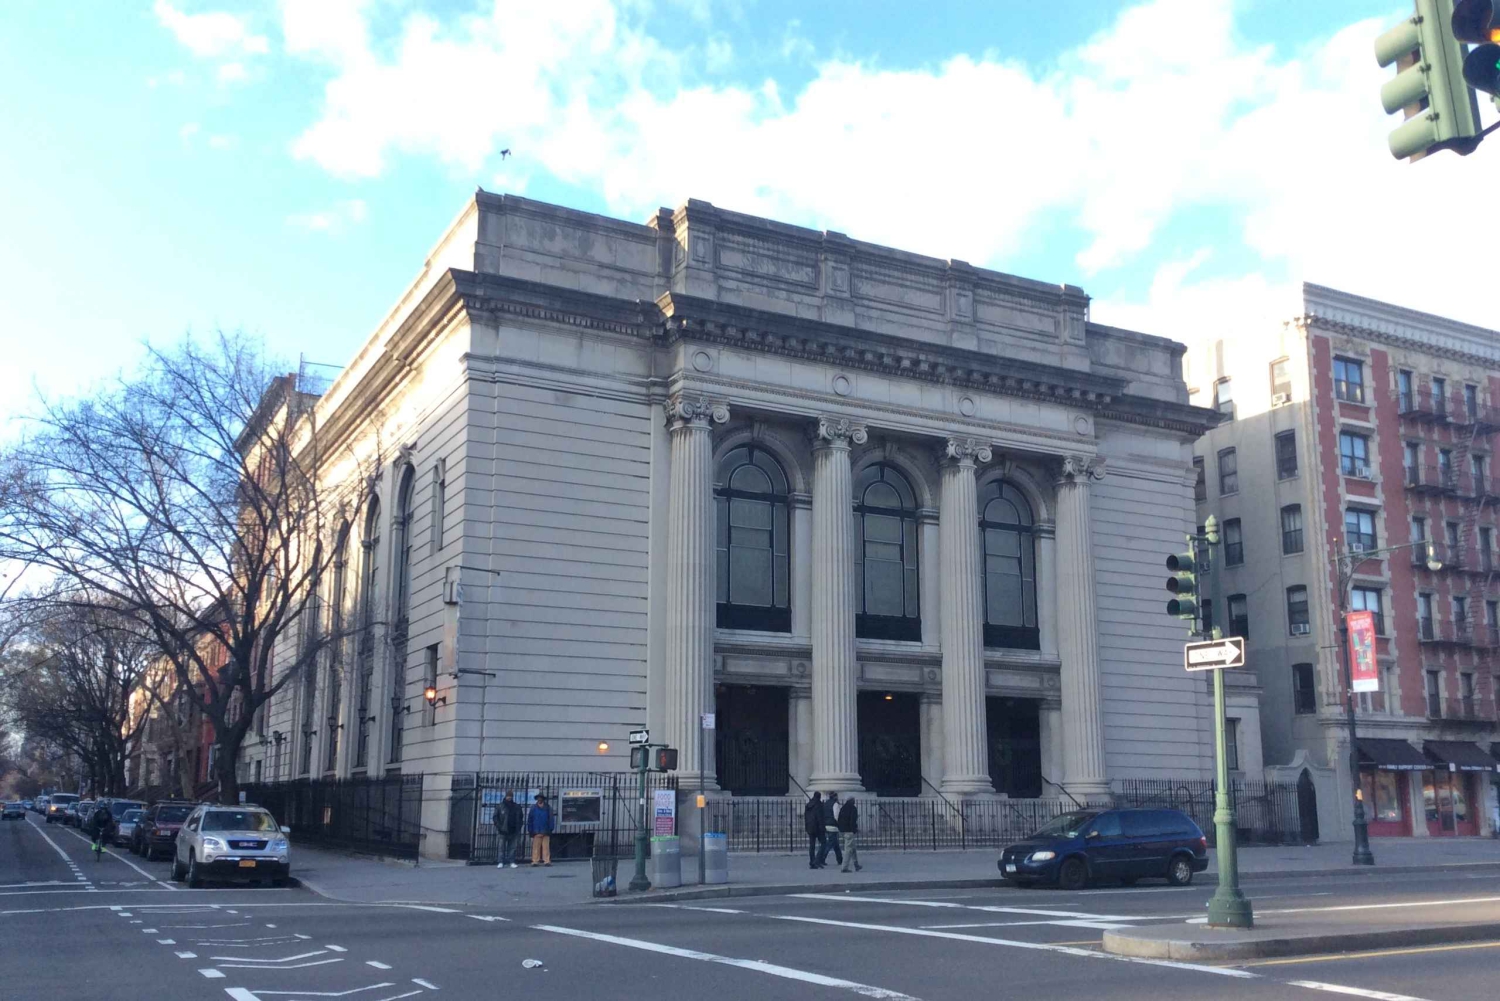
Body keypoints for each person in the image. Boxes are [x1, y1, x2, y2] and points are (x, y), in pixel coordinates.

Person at [493, 791, 523, 869]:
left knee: (512, 847)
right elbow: (495, 818)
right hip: (503, 830)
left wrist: (518, 827)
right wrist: (499, 827)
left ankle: (511, 861)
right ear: (505, 796)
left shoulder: (517, 806)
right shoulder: (500, 806)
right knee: (501, 847)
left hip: (513, 830)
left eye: (510, 796)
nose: (509, 797)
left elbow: (520, 818)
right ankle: (500, 862)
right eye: (508, 796)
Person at [527, 793, 556, 866]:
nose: (539, 799)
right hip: (537, 830)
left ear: (542, 799)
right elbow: (530, 820)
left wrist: (551, 828)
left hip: (544, 830)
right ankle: (535, 861)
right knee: (536, 847)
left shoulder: (547, 808)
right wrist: (530, 830)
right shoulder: (535, 808)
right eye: (538, 798)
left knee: (545, 847)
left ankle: (546, 860)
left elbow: (551, 819)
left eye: (540, 798)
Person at [816, 791, 844, 868]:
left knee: (835, 844)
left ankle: (840, 859)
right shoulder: (835, 804)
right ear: (835, 797)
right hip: (833, 825)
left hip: (826, 825)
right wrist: (840, 824)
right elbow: (836, 816)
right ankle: (822, 858)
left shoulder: (825, 804)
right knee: (830, 843)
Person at [838, 795, 862, 873]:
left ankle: (856, 864)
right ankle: (844, 867)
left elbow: (839, 819)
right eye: (854, 800)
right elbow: (852, 821)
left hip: (843, 830)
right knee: (848, 849)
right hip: (849, 831)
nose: (854, 801)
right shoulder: (853, 809)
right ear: (851, 801)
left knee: (853, 848)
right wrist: (854, 829)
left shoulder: (842, 808)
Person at [803, 791, 825, 869]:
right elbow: (820, 817)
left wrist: (806, 827)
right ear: (819, 797)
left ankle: (812, 861)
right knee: (823, 843)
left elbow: (805, 817)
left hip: (810, 827)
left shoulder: (808, 805)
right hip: (818, 828)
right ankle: (817, 860)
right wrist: (822, 828)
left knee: (812, 846)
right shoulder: (818, 805)